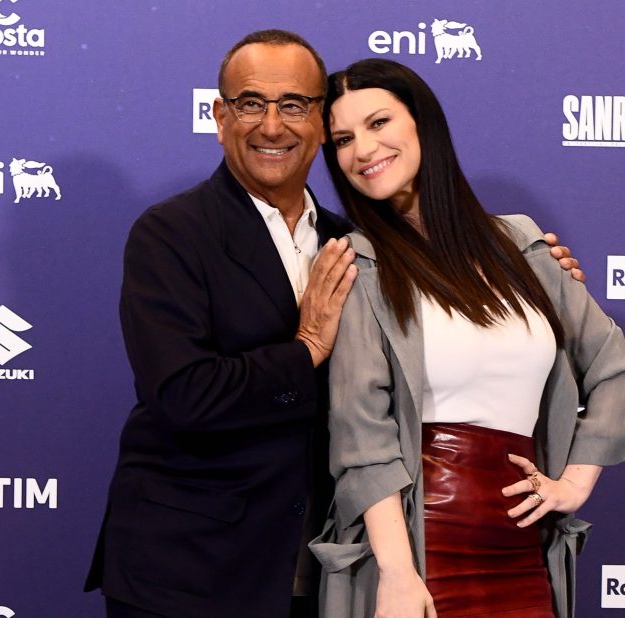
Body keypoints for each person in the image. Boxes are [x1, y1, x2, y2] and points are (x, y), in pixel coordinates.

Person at [85, 32, 584, 618]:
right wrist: (307, 348)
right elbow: (183, 396)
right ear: (220, 117)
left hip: (317, 571)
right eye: (251, 104)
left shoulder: (354, 245)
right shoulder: (171, 233)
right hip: (189, 572)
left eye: (294, 105)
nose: (272, 125)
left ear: (320, 124)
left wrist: (530, 273)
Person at [309, 59, 625, 618]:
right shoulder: (360, 264)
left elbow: (616, 368)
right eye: (343, 139)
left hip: (523, 549)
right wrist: (397, 573)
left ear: (423, 123)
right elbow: (361, 434)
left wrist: (573, 484)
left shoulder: (523, 245)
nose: (362, 150)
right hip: (419, 549)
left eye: (379, 122)